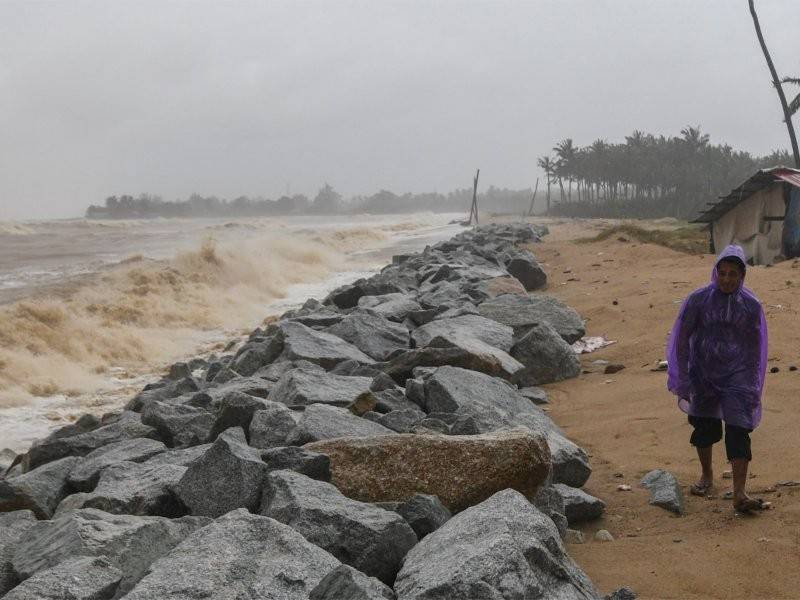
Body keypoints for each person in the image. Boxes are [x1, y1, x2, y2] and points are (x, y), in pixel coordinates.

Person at [666, 244, 768, 514]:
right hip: (704, 372)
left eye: (732, 274)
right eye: (722, 273)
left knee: (738, 429)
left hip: (738, 375)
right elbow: (682, 338)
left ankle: (739, 492)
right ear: (715, 272)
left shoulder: (751, 305)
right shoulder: (698, 300)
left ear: (742, 275)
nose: (726, 279)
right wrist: (684, 376)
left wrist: (753, 383)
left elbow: (756, 347)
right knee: (705, 427)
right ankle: (707, 475)